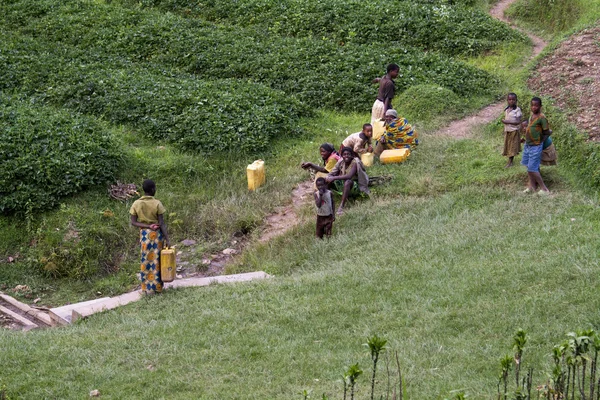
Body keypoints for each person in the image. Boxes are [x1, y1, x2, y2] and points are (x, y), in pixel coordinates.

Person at [129, 179, 170, 294]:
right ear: (153, 189)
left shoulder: (136, 203)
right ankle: (157, 287)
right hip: (157, 235)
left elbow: (134, 222)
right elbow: (161, 223)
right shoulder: (157, 203)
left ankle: (145, 288)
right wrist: (167, 239)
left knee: (145, 260)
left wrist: (147, 226)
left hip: (145, 236)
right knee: (156, 261)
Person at [326, 147, 370, 215]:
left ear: (352, 155)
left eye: (348, 154)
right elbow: (332, 173)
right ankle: (327, 202)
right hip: (345, 184)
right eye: (344, 154)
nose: (346, 156)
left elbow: (349, 176)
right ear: (342, 155)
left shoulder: (355, 162)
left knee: (347, 182)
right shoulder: (341, 161)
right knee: (327, 180)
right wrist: (329, 177)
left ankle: (341, 206)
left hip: (355, 186)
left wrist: (334, 178)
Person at [521, 97, 551, 194]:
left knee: (532, 168)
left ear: (540, 106)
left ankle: (544, 189)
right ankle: (532, 187)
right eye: (532, 105)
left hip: (535, 146)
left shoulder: (542, 118)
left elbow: (547, 132)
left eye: (536, 105)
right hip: (528, 145)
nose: (534, 107)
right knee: (528, 167)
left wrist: (540, 142)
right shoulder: (531, 116)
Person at [501, 93, 522, 168]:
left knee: (512, 146)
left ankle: (510, 162)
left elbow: (518, 122)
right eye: (509, 99)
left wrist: (507, 122)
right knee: (508, 145)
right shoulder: (506, 109)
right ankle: (509, 160)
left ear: (516, 101)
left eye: (513, 100)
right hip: (508, 130)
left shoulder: (517, 110)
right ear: (507, 100)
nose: (511, 101)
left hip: (514, 131)